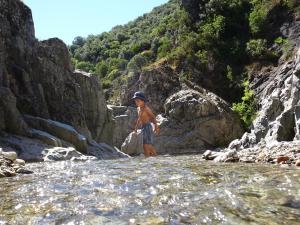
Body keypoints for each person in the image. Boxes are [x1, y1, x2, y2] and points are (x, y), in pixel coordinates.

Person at [132, 91, 160, 157]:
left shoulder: (146, 108)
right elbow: (139, 119)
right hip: (143, 127)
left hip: (148, 127)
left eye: (138, 101)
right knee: (145, 145)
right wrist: (135, 129)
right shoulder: (138, 109)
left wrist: (156, 127)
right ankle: (152, 157)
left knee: (146, 145)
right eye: (135, 101)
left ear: (143, 101)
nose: (136, 102)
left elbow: (153, 117)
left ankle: (151, 157)